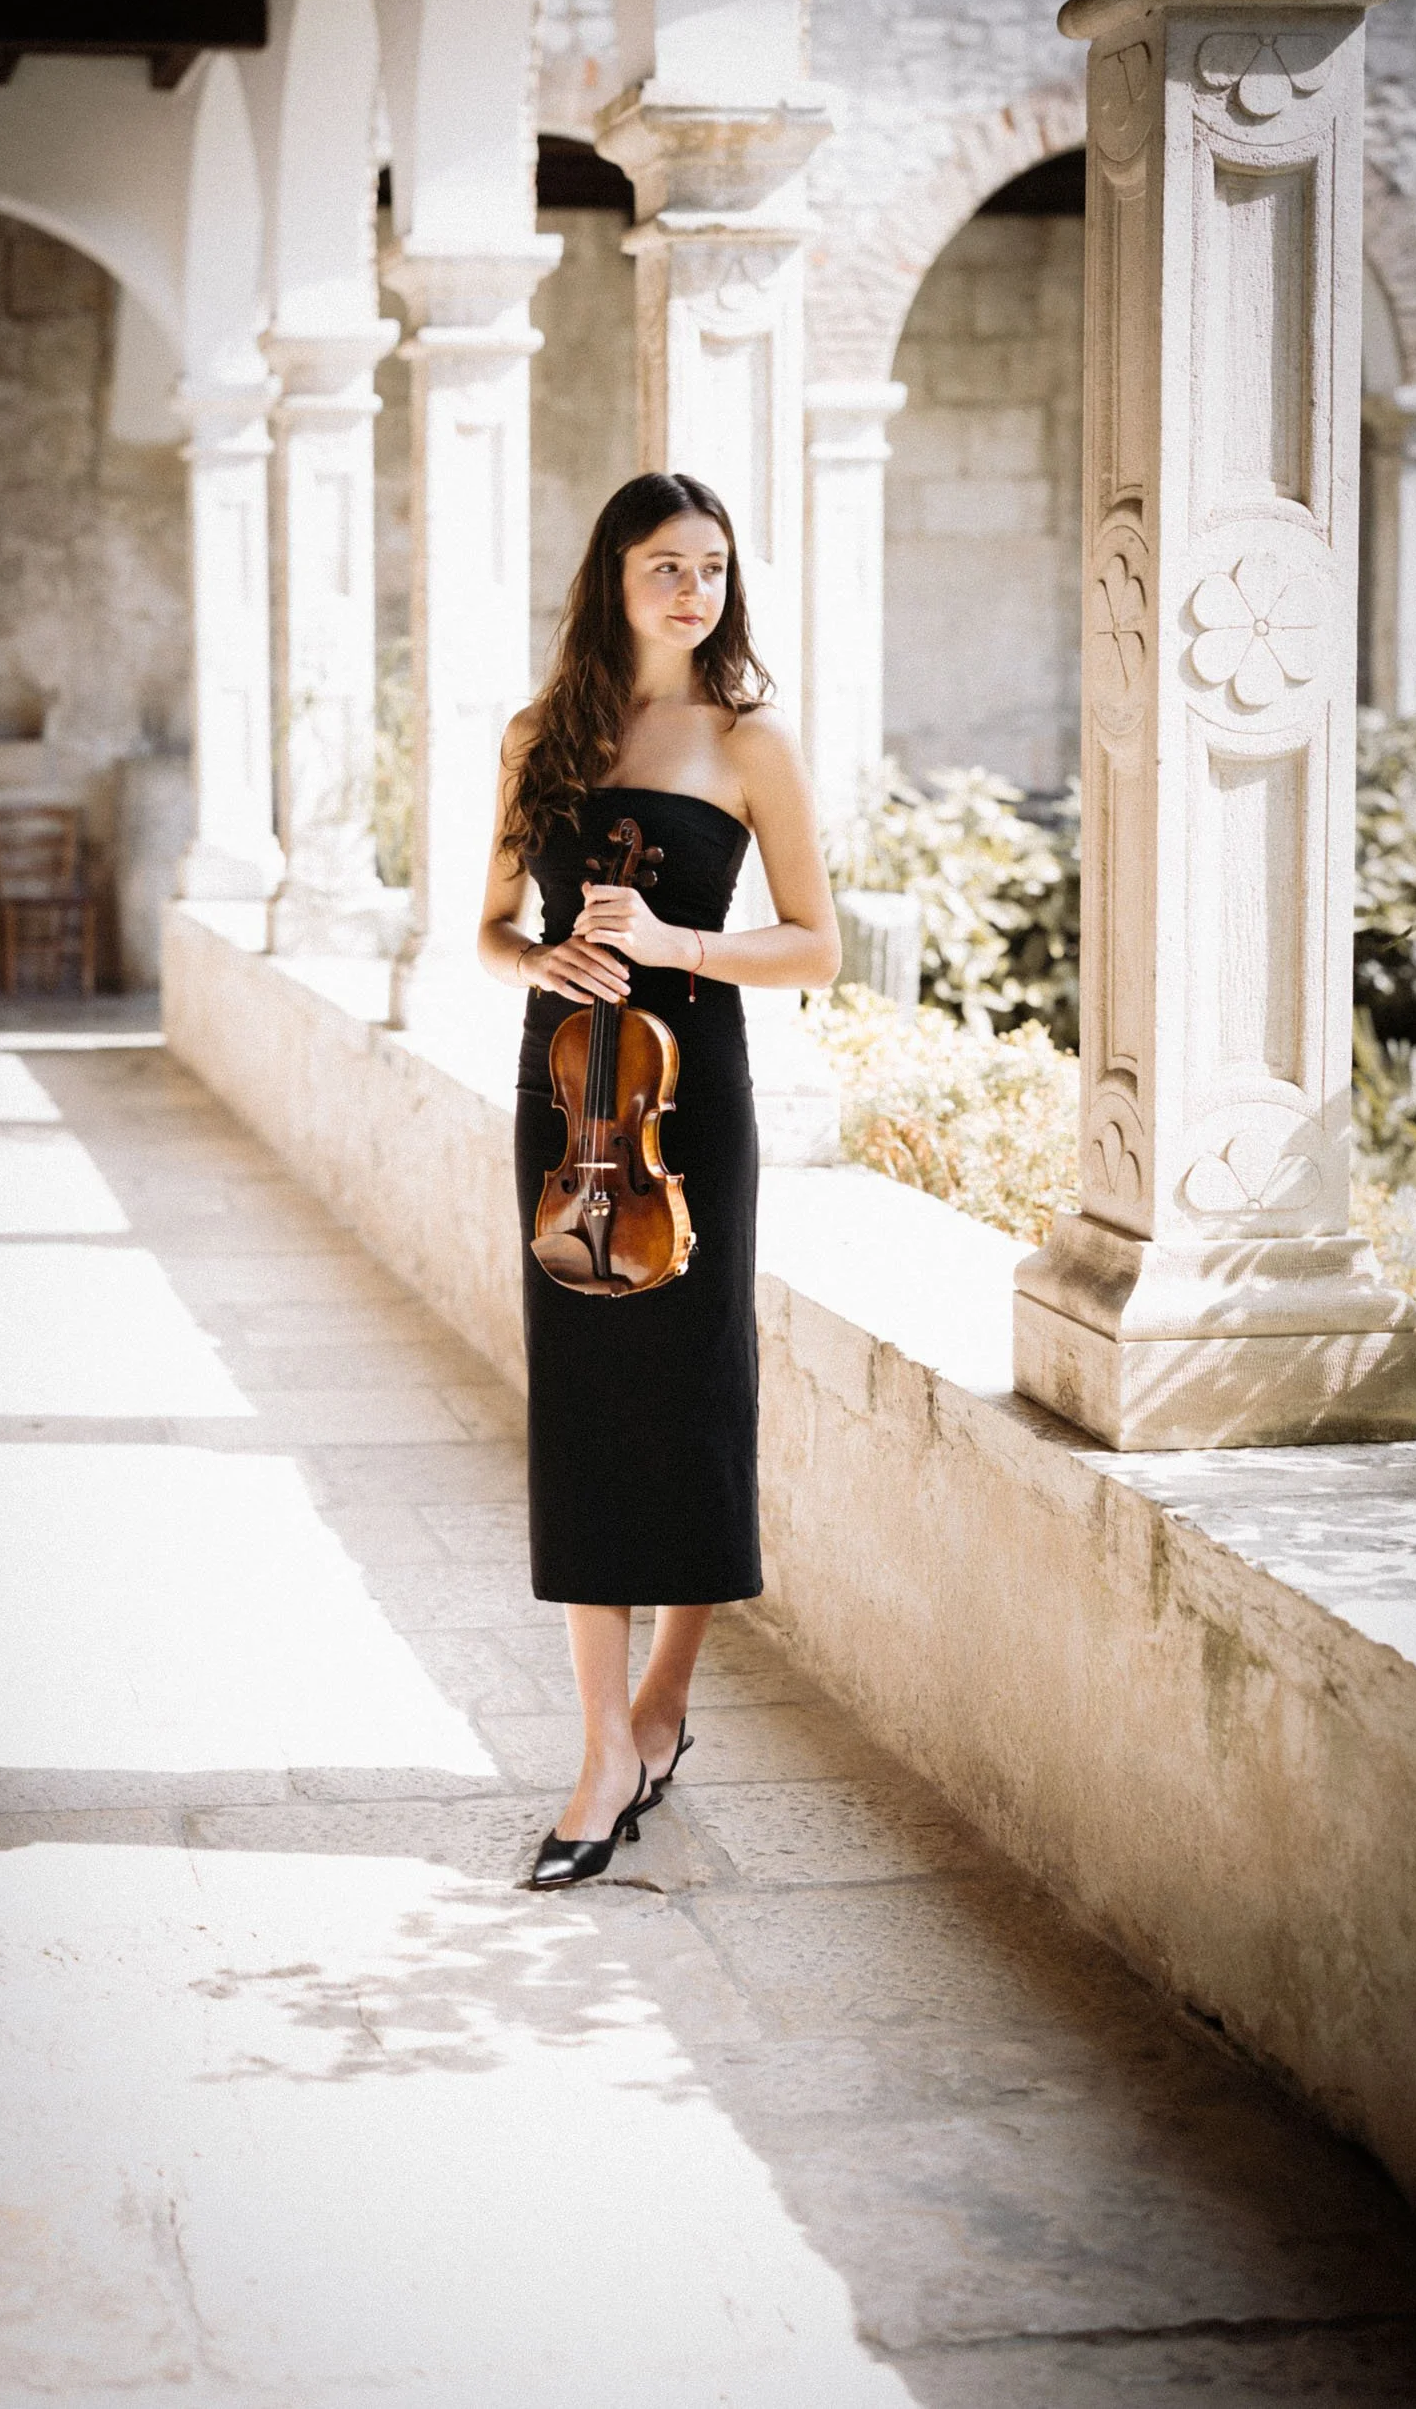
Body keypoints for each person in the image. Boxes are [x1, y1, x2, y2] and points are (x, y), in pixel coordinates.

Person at [478, 471, 841, 1889]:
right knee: (579, 1400)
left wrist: (680, 945)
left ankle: (666, 1704)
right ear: (611, 581)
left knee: (692, 1390)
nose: (691, 590)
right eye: (662, 567)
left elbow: (813, 944)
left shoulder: (752, 742)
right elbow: (490, 930)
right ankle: (598, 1748)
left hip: (691, 1095)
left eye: (710, 568)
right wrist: (545, 953)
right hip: (567, 1094)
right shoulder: (538, 736)